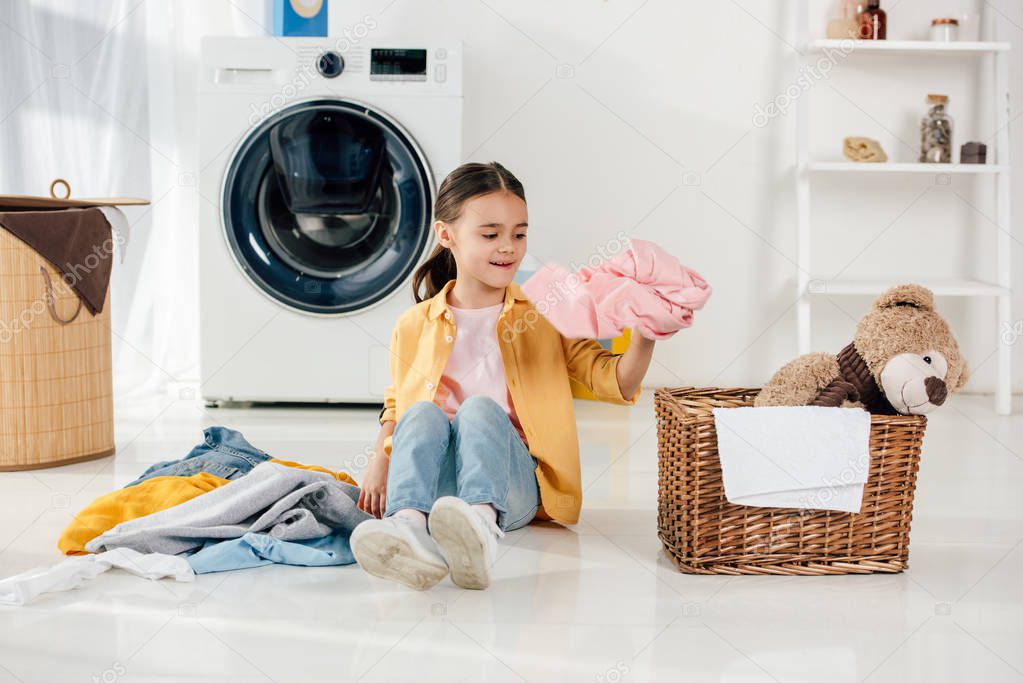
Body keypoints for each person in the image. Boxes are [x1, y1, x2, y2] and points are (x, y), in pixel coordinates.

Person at [349, 161, 655, 591]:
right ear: (446, 235)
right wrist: (380, 461)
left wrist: (646, 334)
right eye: (491, 234)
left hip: (512, 484)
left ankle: (480, 526)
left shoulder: (545, 312)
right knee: (421, 414)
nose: (508, 247)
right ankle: (410, 527)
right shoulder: (415, 323)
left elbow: (614, 381)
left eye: (519, 233)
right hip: (438, 483)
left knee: (478, 410)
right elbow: (398, 401)